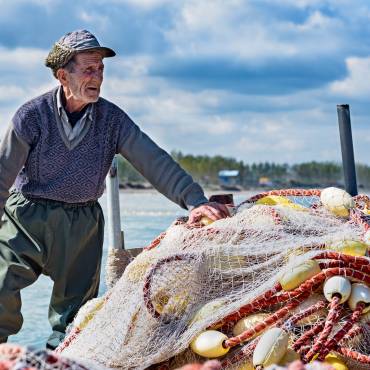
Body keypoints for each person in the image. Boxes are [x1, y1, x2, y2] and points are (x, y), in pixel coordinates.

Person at [0, 30, 229, 349]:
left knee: (74, 318)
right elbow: (2, 174)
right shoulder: (31, 116)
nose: (98, 77)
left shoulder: (113, 120)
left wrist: (194, 200)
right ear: (62, 75)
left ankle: (59, 363)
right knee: (0, 285)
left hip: (82, 225)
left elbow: (153, 160)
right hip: (27, 217)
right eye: (88, 69)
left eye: (101, 69)